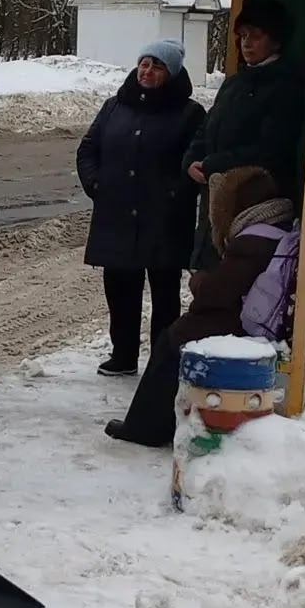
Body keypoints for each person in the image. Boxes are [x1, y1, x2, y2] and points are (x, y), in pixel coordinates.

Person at [105, 166, 295, 447]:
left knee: (171, 342)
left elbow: (216, 295)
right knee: (177, 336)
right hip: (253, 314)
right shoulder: (276, 225)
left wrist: (199, 282)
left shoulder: (254, 239)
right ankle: (157, 421)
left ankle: (145, 427)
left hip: (239, 322)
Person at [76, 39, 205, 376]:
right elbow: (88, 149)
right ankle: (123, 355)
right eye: (144, 63)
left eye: (157, 65)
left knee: (164, 295)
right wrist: (97, 185)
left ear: (172, 73)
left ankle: (161, 363)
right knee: (120, 291)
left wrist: (176, 194)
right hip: (116, 214)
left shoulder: (189, 113)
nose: (147, 71)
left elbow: (197, 160)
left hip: (163, 219)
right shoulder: (115, 106)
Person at [183, 0, 305, 267]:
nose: (246, 43)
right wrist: (192, 160)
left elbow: (272, 147)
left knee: (230, 284)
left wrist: (212, 164)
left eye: (256, 36)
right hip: (216, 198)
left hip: (254, 203)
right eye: (242, 36)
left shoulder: (285, 87)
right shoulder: (234, 83)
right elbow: (208, 128)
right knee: (207, 279)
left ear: (275, 41)